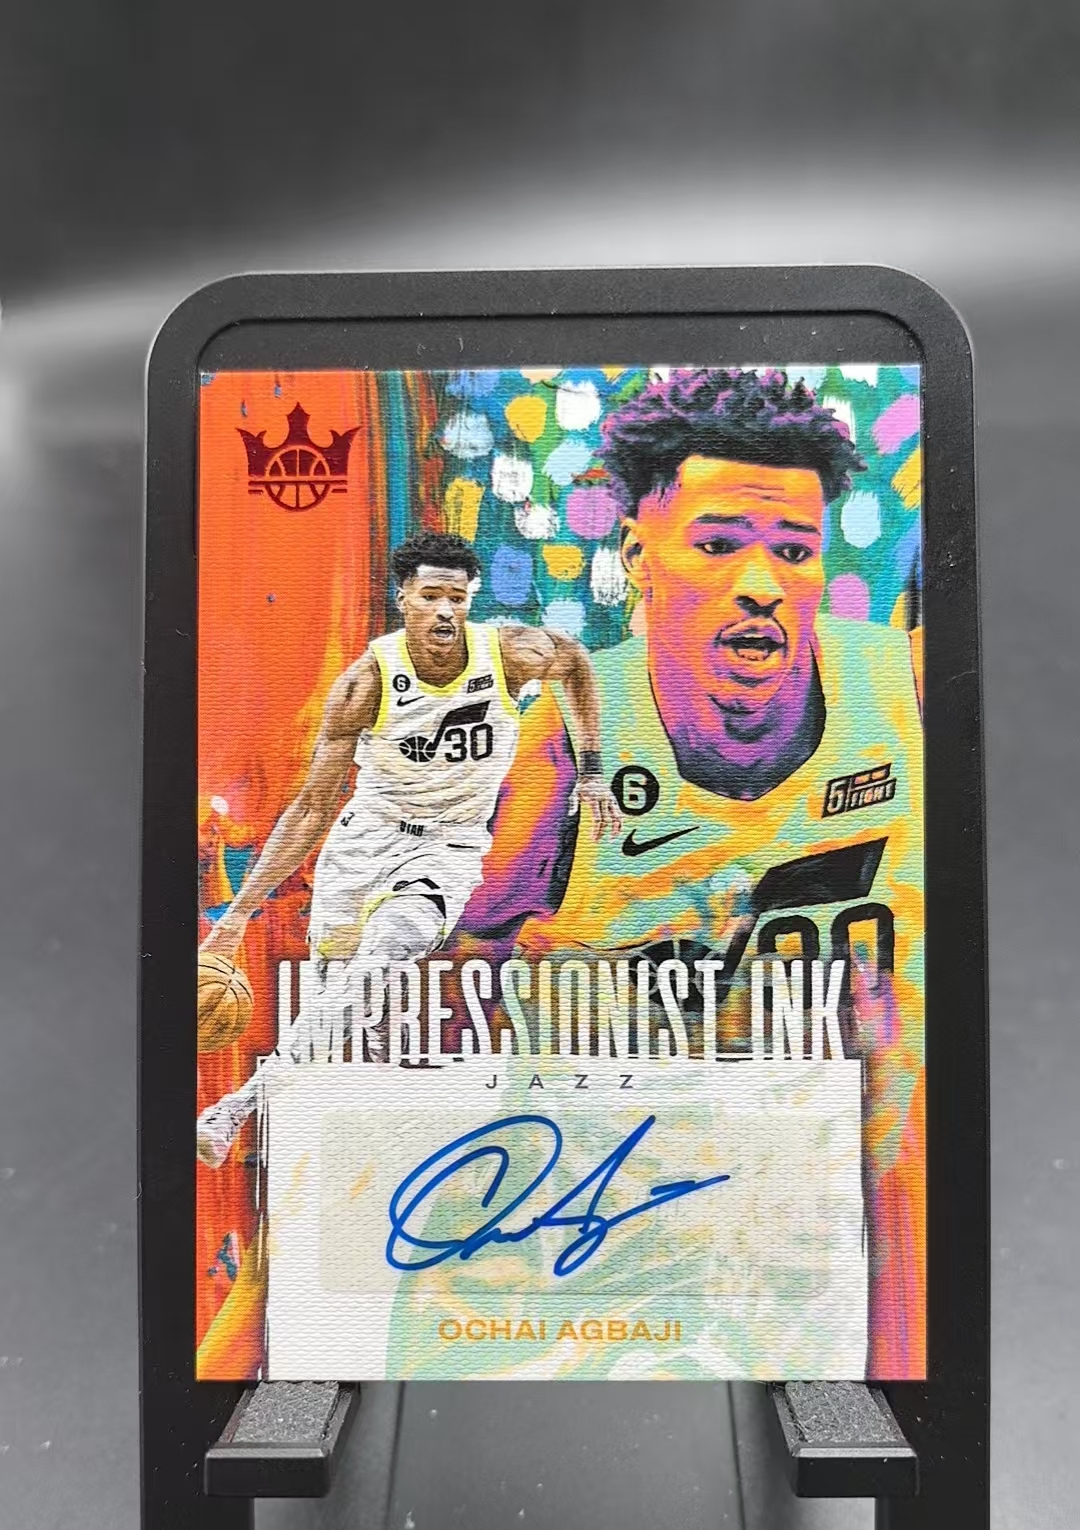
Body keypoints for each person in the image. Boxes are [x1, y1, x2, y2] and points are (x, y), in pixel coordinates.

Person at [466, 368, 925, 1376]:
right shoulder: (571, 735)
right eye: (719, 546)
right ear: (640, 555)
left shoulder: (904, 691)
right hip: (627, 1244)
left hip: (848, 1223)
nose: (761, 583)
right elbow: (461, 962)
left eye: (793, 551)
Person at [196, 528, 621, 1168]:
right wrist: (235, 920)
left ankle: (236, 1109)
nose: (445, 610)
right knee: (338, 1001)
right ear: (404, 599)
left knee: (386, 953)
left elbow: (577, 663)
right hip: (365, 842)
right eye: (430, 597)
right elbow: (311, 807)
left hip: (448, 847)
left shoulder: (508, 655)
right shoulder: (366, 682)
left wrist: (590, 771)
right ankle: (336, 1136)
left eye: (457, 598)